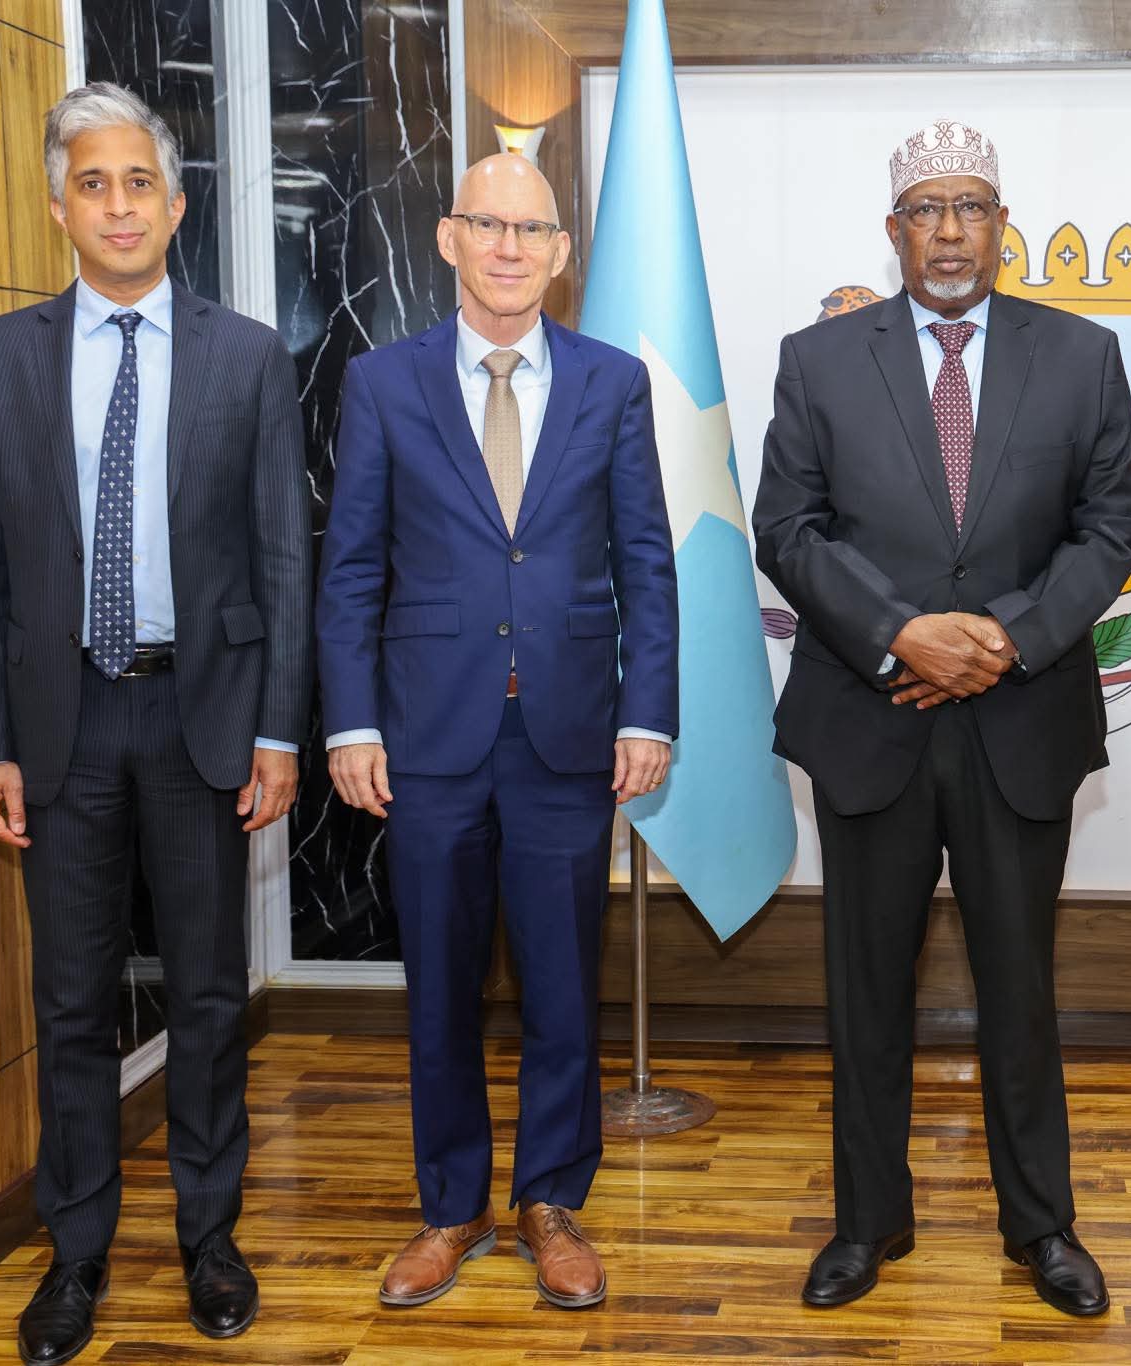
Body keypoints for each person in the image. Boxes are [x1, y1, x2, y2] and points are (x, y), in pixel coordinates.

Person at [0, 82, 311, 1363]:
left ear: (176, 203)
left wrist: (279, 731)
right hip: (59, 728)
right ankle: (76, 1252)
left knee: (206, 995)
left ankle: (211, 1238)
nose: (117, 205)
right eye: (91, 184)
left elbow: (284, 557)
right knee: (71, 1002)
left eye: (137, 182)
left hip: (203, 719)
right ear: (57, 207)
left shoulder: (246, 357)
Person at [753, 119, 1131, 1317]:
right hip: (868, 720)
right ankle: (866, 1222)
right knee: (864, 990)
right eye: (926, 209)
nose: (949, 232)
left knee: (1018, 988)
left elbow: (1110, 527)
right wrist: (901, 634)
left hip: (1017, 721)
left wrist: (1003, 640)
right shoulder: (819, 359)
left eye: (970, 206)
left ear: (1000, 224)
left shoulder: (1081, 354)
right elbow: (787, 528)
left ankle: (1042, 1226)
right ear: (894, 230)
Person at [317, 153, 679, 1312]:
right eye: (488, 224)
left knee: (562, 983)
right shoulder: (382, 382)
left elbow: (646, 560)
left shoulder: (612, 382)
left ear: (561, 253)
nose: (509, 247)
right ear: (449, 238)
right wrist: (350, 720)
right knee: (440, 985)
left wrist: (647, 707)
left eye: (531, 230)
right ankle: (450, 1206)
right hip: (425, 735)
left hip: (569, 733)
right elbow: (352, 568)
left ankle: (550, 1201)